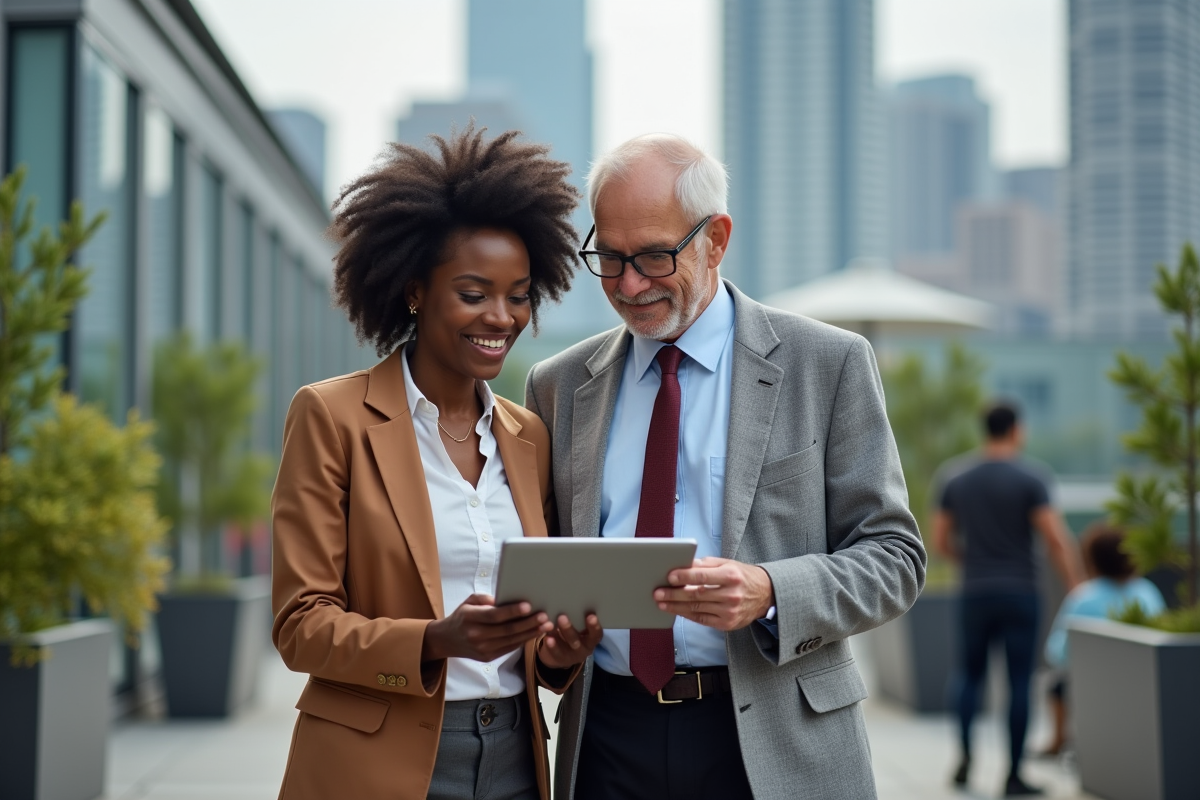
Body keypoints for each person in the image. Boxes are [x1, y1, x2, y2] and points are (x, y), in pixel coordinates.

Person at [524, 133, 926, 800]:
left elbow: (895, 557)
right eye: (611, 258)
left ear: (716, 240)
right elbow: (542, 568)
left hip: (776, 738)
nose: (628, 284)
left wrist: (771, 590)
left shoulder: (827, 364)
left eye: (654, 256)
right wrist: (551, 645)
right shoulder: (557, 385)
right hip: (607, 738)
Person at [270, 127, 602, 800]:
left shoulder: (528, 435)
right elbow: (300, 624)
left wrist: (556, 655)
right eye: (474, 293)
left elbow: (531, 627)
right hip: (377, 759)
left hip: (514, 751)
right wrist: (435, 639)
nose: (502, 317)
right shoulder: (332, 419)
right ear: (416, 291)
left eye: (519, 294)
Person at [931, 401, 1084, 797]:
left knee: (969, 676)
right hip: (1020, 591)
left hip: (975, 591)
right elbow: (1054, 537)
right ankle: (1013, 775)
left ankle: (965, 760)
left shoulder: (955, 477)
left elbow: (940, 539)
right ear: (1016, 430)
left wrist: (970, 561)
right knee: (1019, 682)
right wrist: (1075, 584)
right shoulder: (1032, 477)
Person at [1038, 523, 1166, 756]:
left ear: (1091, 560)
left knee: (1055, 685)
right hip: (1143, 682)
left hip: (1092, 684)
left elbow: (1058, 654)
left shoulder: (1083, 598)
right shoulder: (1147, 592)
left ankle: (1058, 740)